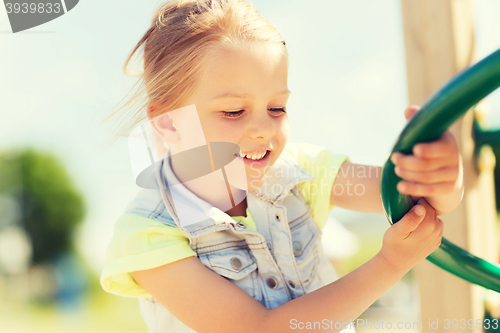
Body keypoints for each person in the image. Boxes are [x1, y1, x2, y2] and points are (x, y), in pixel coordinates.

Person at [100, 0, 464, 332]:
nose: (263, 129)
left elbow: (415, 195)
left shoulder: (299, 171)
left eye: (277, 108)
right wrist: (390, 264)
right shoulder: (147, 234)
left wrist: (439, 172)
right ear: (168, 121)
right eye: (234, 111)